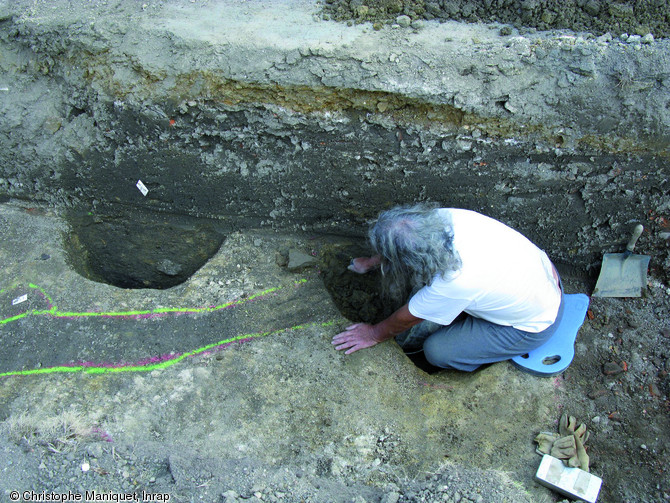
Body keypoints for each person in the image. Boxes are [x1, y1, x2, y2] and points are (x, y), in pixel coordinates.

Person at [331, 204, 564, 372]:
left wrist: (373, 334)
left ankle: (481, 346)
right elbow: (400, 237)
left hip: (533, 323)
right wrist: (372, 262)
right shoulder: (444, 218)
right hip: (539, 276)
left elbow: (405, 319)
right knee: (430, 291)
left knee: (437, 351)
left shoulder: (457, 280)